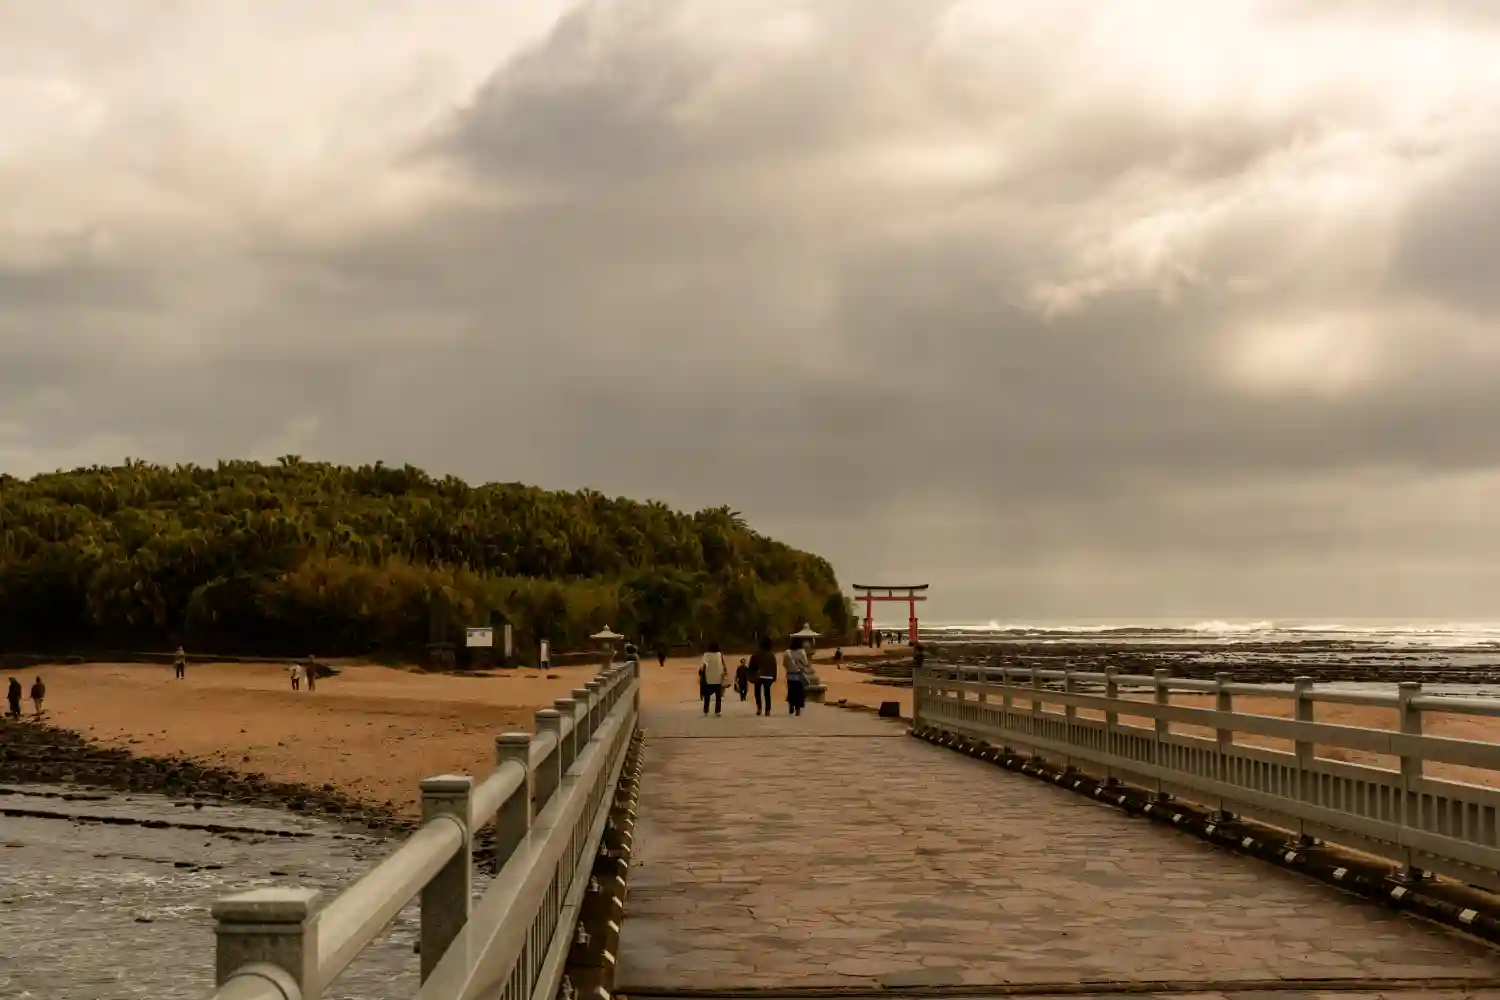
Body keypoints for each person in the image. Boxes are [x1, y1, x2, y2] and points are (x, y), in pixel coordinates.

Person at [747, 637, 777, 716]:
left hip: (758, 676)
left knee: (757, 692)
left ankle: (759, 707)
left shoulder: (756, 655)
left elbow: (751, 666)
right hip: (768, 676)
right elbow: (774, 667)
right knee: (767, 693)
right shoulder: (772, 655)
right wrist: (774, 676)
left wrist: (750, 675)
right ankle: (768, 709)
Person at [699, 642, 728, 716]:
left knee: (707, 696)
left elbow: (702, 666)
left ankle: (706, 710)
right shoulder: (720, 655)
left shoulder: (706, 655)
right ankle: (717, 711)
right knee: (718, 696)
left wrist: (700, 673)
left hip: (708, 678)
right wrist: (725, 673)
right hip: (718, 678)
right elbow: (723, 665)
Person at [784, 639, 809, 716]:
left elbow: (784, 663)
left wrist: (790, 667)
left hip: (790, 675)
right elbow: (805, 663)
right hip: (799, 675)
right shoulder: (801, 652)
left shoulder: (787, 652)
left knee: (791, 691)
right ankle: (797, 709)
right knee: (799, 692)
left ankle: (791, 705)